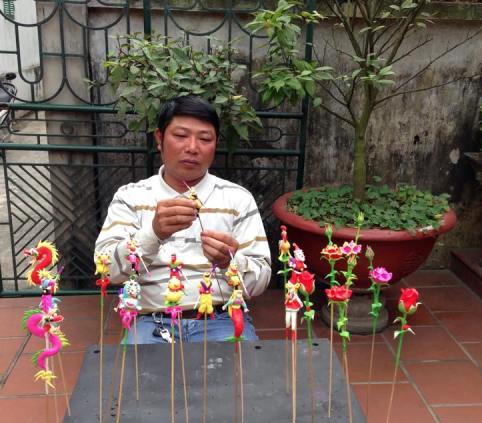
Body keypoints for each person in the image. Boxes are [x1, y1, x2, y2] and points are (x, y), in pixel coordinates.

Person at [95, 95, 271, 343]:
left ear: (216, 144)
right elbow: (107, 271)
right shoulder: (130, 197)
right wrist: (153, 234)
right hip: (152, 320)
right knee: (139, 368)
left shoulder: (237, 198)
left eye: (205, 139)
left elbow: (259, 282)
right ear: (159, 139)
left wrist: (229, 261)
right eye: (180, 135)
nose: (192, 147)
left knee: (243, 367)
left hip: (222, 318)